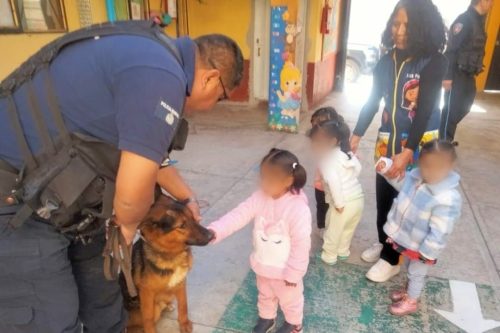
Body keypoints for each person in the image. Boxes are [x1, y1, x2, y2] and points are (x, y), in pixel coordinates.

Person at [0, 22, 243, 332]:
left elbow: (151, 156)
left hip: (67, 204)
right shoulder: (163, 75)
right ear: (210, 78)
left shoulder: (154, 54)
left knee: (105, 304)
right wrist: (127, 229)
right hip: (17, 205)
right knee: (53, 319)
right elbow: (130, 197)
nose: (211, 108)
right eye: (220, 98)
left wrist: (187, 197)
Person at [349, 0, 448, 283]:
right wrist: (356, 135)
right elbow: (372, 101)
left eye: (407, 24)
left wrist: (408, 152)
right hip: (387, 143)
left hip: (418, 149)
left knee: (405, 207)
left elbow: (425, 109)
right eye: (396, 23)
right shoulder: (386, 60)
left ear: (422, 27)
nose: (399, 30)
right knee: (384, 201)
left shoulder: (434, 61)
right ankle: (385, 245)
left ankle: (392, 260)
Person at [208, 149, 311, 333]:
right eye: (262, 177)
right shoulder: (260, 197)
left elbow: (301, 244)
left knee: (291, 301)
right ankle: (267, 318)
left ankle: (294, 324)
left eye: (270, 179)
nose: (264, 183)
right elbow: (239, 215)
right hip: (263, 264)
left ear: (288, 181)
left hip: (286, 272)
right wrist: (215, 231)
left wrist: (294, 273)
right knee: (265, 295)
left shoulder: (297, 209)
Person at [380, 140, 462, 315]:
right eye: (425, 166)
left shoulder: (447, 198)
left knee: (416, 273)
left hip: (423, 247)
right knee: (410, 267)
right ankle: (408, 292)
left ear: (449, 167)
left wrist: (428, 252)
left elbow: (441, 231)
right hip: (409, 239)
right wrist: (390, 175)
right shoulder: (416, 177)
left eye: (436, 168)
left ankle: (411, 300)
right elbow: (403, 189)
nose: (429, 172)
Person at [309, 120, 364, 265]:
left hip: (343, 203)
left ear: (332, 141)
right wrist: (350, 179)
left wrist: (339, 203)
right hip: (358, 199)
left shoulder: (326, 161)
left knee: (333, 230)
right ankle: (343, 251)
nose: (314, 146)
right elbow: (358, 168)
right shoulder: (345, 153)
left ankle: (330, 255)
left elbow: (334, 183)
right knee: (347, 229)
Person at [440, 0, 493, 141]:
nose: (491, 4)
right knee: (451, 111)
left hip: (469, 74)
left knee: (464, 107)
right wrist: (447, 76)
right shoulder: (464, 20)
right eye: (490, 1)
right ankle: (443, 142)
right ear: (482, 1)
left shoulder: (478, 20)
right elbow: (451, 50)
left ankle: (443, 137)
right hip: (457, 73)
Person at [309, 107, 341, 231]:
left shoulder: (339, 148)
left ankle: (331, 232)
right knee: (322, 208)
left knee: (333, 210)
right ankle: (322, 230)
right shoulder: (321, 145)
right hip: (320, 185)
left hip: (335, 187)